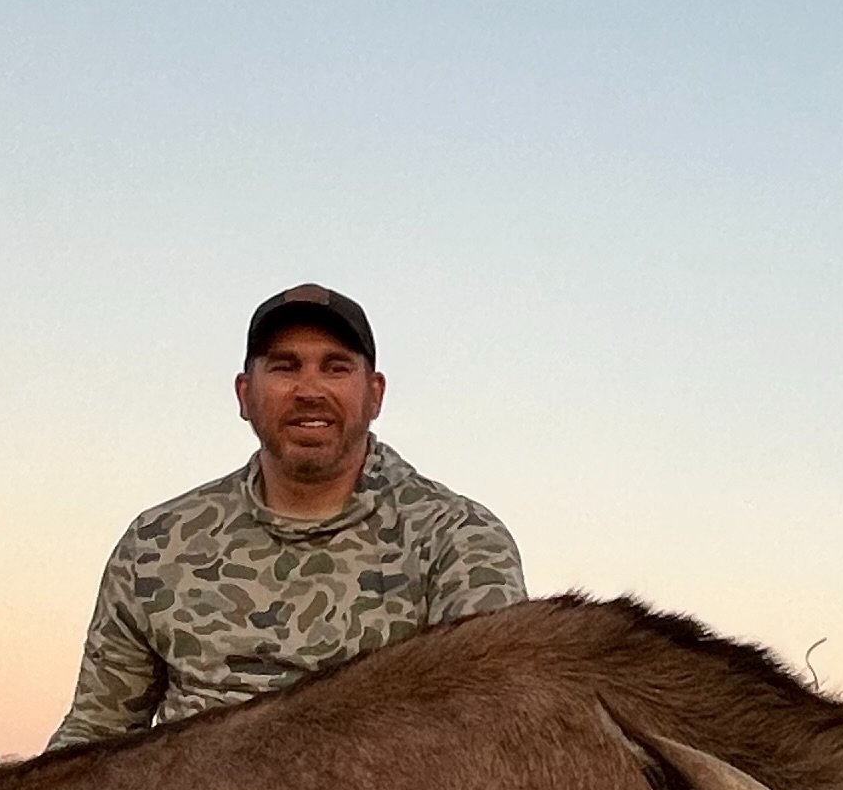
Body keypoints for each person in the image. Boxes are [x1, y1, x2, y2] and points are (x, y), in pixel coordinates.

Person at [48, 283, 526, 748]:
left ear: (375, 395)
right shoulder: (155, 544)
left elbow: (488, 738)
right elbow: (94, 733)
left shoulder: (460, 540)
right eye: (284, 367)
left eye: (336, 368)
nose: (309, 390)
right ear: (244, 394)